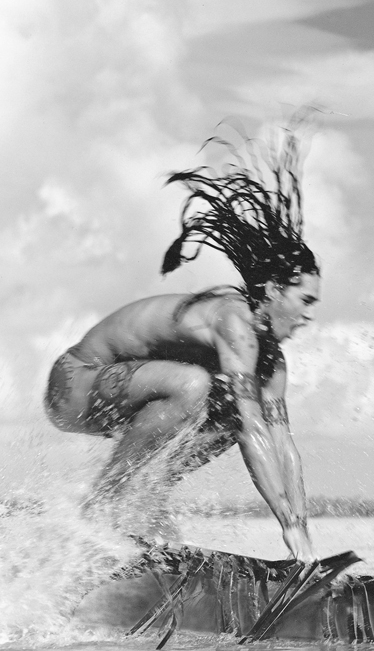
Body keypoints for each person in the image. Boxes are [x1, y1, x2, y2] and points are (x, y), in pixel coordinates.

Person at [44, 131, 320, 562]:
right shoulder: (234, 321)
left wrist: (300, 529)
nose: (308, 315)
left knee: (231, 407)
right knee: (195, 385)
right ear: (271, 290)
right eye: (304, 301)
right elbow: (253, 431)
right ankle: (100, 506)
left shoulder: (271, 364)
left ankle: (148, 494)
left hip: (120, 394)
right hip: (74, 384)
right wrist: (283, 520)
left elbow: (280, 442)